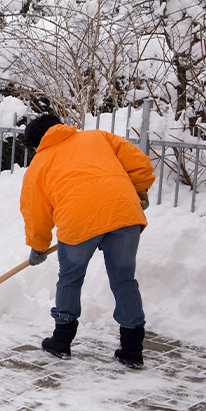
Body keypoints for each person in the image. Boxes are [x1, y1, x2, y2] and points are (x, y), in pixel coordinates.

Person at [20, 114, 155, 369]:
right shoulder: (98, 137)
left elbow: (36, 211)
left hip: (78, 221)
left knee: (70, 278)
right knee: (125, 280)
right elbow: (140, 163)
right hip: (124, 214)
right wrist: (139, 190)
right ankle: (132, 350)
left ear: (37, 143)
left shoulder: (39, 164)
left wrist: (38, 246)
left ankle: (61, 342)